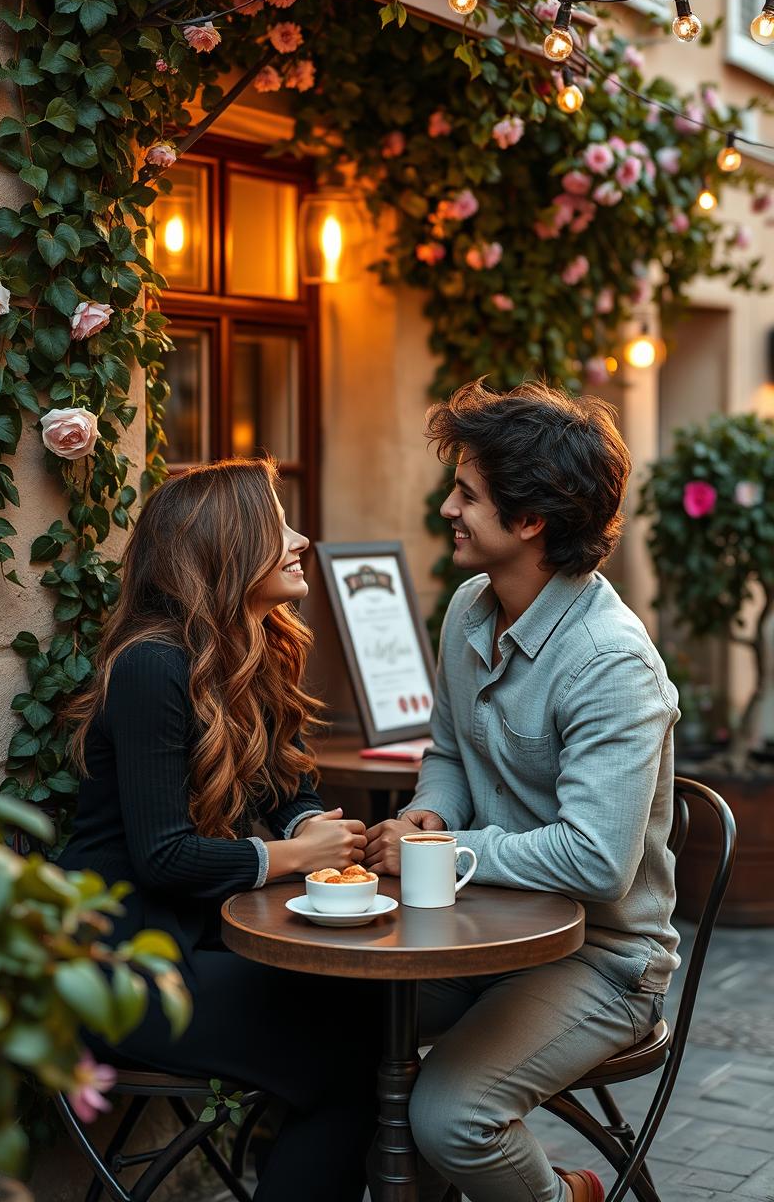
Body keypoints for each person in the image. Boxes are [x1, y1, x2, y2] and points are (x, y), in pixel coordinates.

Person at [365, 380, 680, 1202]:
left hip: (603, 958)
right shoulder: (471, 610)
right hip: (483, 931)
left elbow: (596, 860)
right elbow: (450, 753)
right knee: (331, 1030)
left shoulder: (611, 662)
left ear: (531, 520)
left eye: (466, 493)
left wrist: (438, 848)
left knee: (450, 1115)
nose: (446, 509)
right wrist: (431, 807)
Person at [58, 457, 381, 1202]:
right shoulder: (152, 667)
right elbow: (164, 856)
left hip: (196, 940)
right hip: (121, 965)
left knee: (362, 1027)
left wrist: (312, 826)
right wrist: (292, 856)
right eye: (278, 526)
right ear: (226, 545)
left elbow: (289, 784)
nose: (301, 539)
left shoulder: (251, 652)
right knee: (354, 1062)